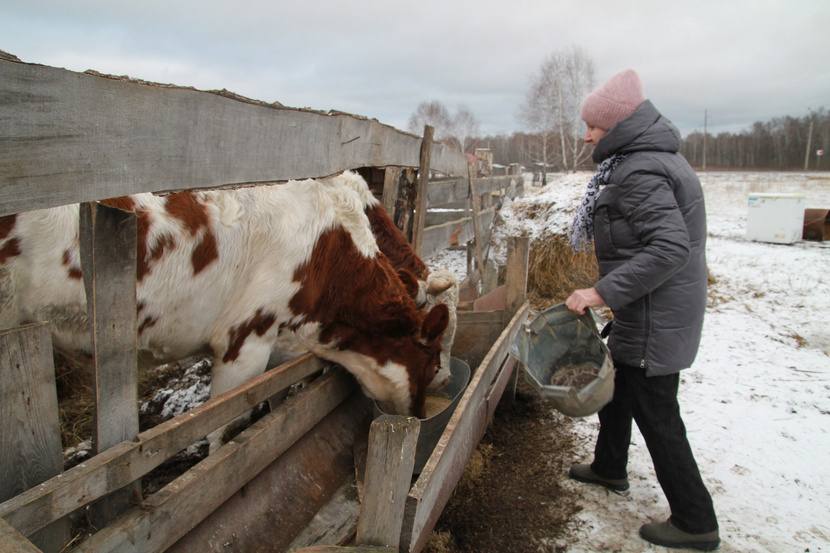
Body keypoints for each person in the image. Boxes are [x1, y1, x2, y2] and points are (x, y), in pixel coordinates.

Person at [564, 69, 720, 551]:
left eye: (594, 126)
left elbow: (669, 248)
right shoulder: (643, 161)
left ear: (619, 126)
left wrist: (600, 292)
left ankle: (696, 522)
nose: (587, 134)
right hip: (651, 306)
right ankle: (610, 468)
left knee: (657, 412)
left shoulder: (640, 170)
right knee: (621, 388)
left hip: (657, 312)